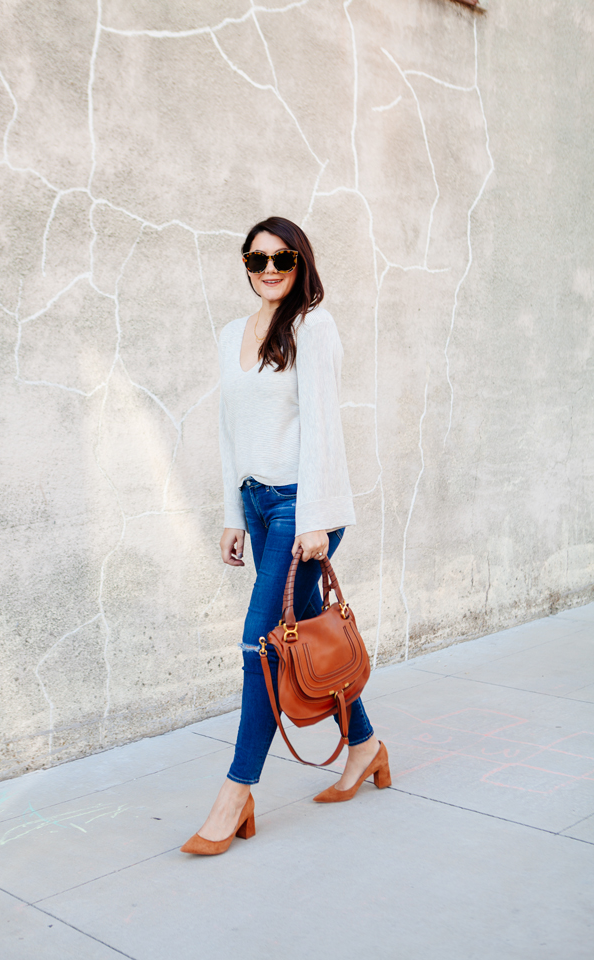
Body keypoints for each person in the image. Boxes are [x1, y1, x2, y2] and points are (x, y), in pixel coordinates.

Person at [181, 216, 391, 856]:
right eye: (257, 259)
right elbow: (228, 433)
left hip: (303, 507)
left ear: (302, 263)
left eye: (283, 258)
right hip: (256, 505)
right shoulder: (229, 336)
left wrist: (318, 522)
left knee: (260, 647)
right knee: (297, 641)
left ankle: (236, 792)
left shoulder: (311, 326)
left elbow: (324, 427)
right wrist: (228, 513)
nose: (269, 269)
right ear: (245, 265)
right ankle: (364, 746)